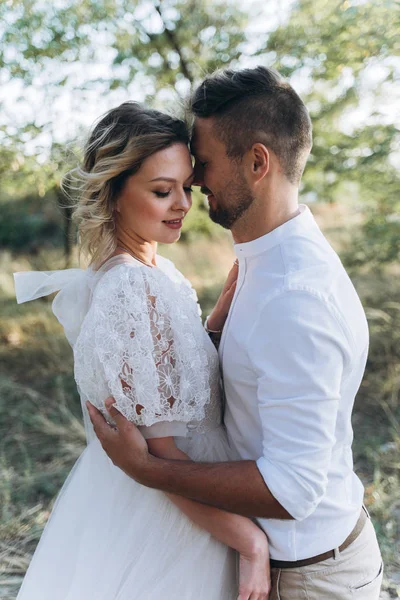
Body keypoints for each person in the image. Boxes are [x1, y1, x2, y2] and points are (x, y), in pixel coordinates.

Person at [88, 67, 384, 600]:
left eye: (202, 164)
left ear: (257, 162)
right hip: (274, 560)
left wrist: (147, 469)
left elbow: (292, 488)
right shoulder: (261, 266)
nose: (195, 181)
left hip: (308, 575)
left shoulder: (293, 296)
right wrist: (211, 335)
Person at [13, 102, 272, 600]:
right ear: (112, 194)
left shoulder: (156, 274)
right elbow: (157, 452)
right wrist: (249, 543)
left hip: (191, 494)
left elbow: (175, 369)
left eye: (186, 187)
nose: (182, 204)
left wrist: (218, 314)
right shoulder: (129, 290)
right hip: (177, 515)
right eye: (161, 191)